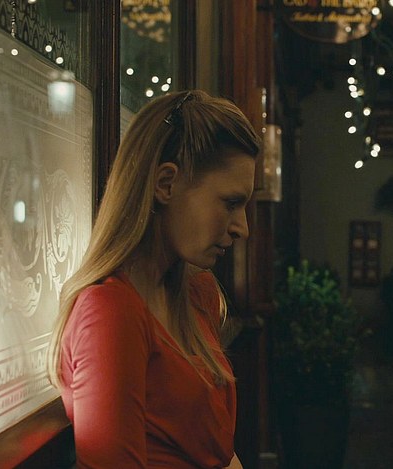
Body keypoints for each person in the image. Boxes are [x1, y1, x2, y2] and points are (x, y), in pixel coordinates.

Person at [46, 90, 260, 468]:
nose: (242, 227)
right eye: (230, 203)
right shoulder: (110, 312)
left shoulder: (197, 293)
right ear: (165, 184)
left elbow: (223, 456)